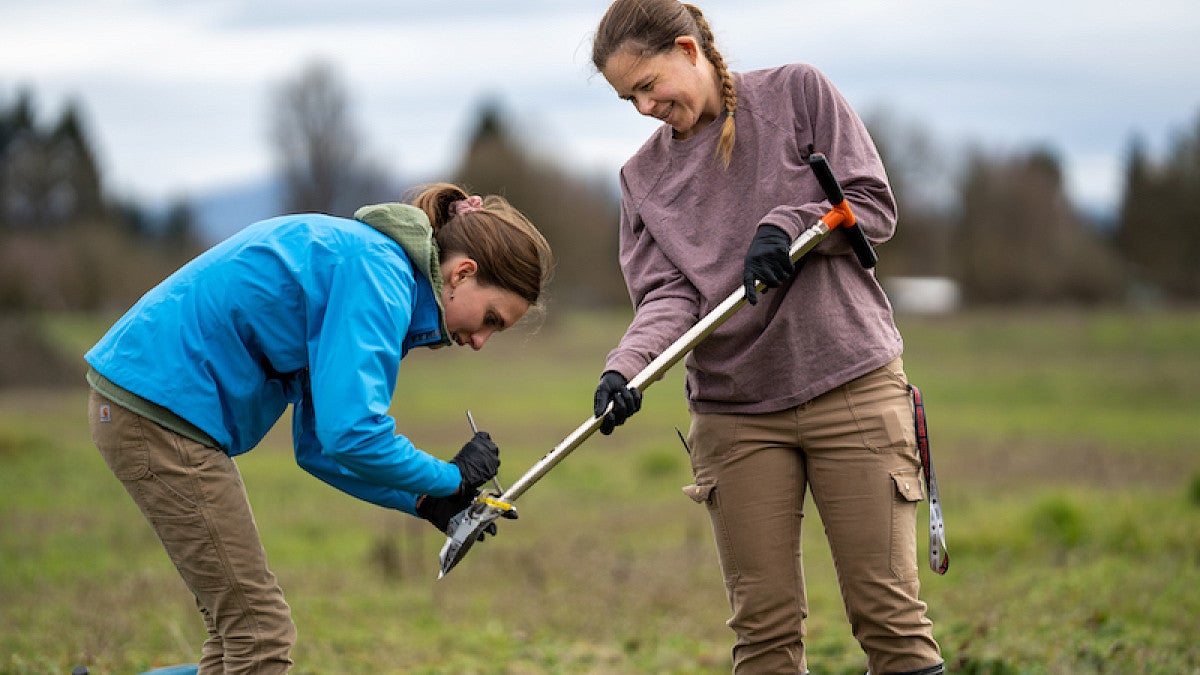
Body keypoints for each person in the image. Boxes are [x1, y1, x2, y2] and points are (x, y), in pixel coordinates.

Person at [588, 2, 943, 674]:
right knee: (764, 635)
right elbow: (669, 297)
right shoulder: (642, 180)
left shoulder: (797, 95)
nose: (641, 108)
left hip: (850, 385)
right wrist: (627, 369)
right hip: (736, 413)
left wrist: (789, 226)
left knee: (890, 619)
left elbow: (870, 202)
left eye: (646, 86)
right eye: (626, 97)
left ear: (688, 50)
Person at [85, 183, 553, 674]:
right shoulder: (380, 276)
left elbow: (319, 449)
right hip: (158, 413)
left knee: (239, 643)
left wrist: (423, 499)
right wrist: (450, 478)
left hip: (151, 406)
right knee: (259, 638)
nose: (480, 341)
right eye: (491, 320)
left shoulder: (372, 267)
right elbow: (352, 434)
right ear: (462, 272)